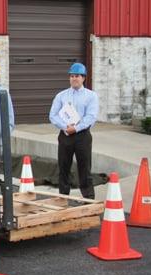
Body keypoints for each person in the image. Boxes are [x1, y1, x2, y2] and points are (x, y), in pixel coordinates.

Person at [49, 63, 99, 199]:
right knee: (63, 167)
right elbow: (52, 115)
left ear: (83, 78)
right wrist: (65, 127)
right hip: (65, 135)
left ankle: (88, 198)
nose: (74, 79)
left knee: (84, 168)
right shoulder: (61, 96)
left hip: (82, 136)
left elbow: (91, 117)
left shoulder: (91, 96)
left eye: (77, 76)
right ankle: (63, 197)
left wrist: (76, 128)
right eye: (71, 76)